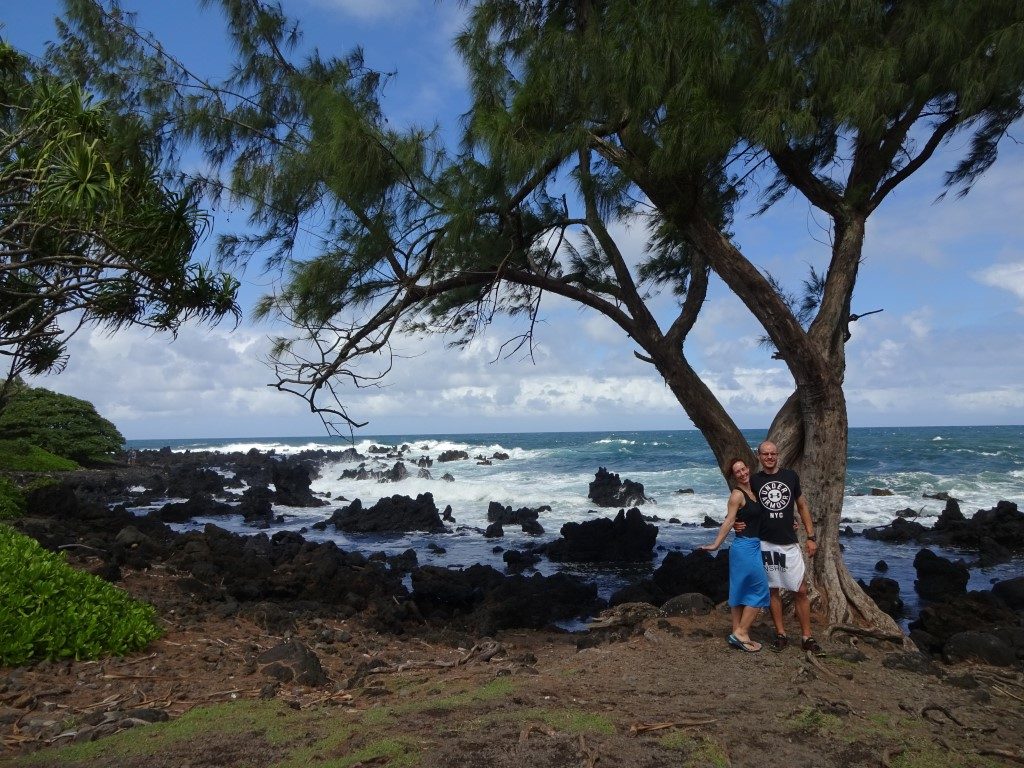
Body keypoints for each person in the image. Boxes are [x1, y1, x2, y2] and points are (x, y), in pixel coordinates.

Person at [750, 440, 822, 654]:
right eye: (765, 454)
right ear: (759, 456)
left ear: (777, 455)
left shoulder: (790, 477)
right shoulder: (754, 481)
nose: (770, 457)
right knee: (773, 589)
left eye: (773, 454)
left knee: (800, 589)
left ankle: (807, 636)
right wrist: (737, 522)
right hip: (764, 543)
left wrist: (810, 536)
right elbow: (745, 506)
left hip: (789, 543)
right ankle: (781, 634)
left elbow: (802, 505)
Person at [700, 457, 770, 653]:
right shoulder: (737, 495)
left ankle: (736, 633)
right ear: (733, 476)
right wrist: (715, 544)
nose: (742, 473)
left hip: (753, 545)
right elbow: (730, 521)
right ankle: (742, 632)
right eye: (737, 471)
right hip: (744, 547)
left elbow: (755, 517)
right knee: (761, 590)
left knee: (739, 591)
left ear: (748, 468)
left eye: (743, 468)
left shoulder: (754, 491)